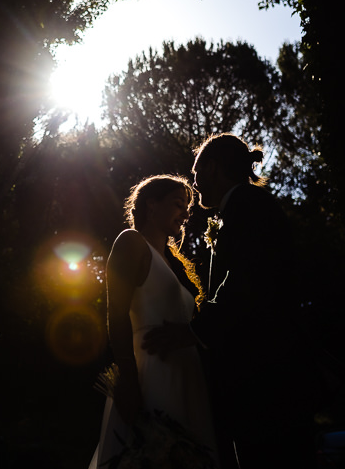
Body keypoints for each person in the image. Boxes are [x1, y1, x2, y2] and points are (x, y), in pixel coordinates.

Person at [144, 134, 319, 468]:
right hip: (262, 381)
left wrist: (191, 332)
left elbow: (244, 282)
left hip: (269, 381)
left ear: (212, 168)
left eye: (196, 175)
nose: (195, 187)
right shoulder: (244, 208)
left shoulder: (249, 206)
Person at [89, 175, 218, 469]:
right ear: (151, 204)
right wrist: (129, 380)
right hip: (151, 374)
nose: (186, 214)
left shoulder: (176, 264)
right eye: (177, 204)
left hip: (189, 376)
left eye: (187, 207)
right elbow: (117, 314)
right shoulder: (131, 243)